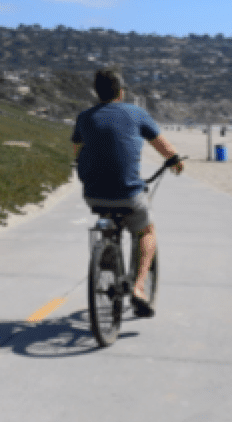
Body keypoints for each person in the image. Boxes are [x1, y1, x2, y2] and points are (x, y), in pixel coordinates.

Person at [71, 69, 183, 318]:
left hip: (93, 195)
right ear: (121, 92)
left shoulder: (84, 117)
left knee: (110, 219)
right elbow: (163, 146)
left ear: (96, 92)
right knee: (146, 230)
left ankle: (108, 251)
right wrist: (175, 161)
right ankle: (139, 287)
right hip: (129, 194)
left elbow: (77, 151)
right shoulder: (135, 113)